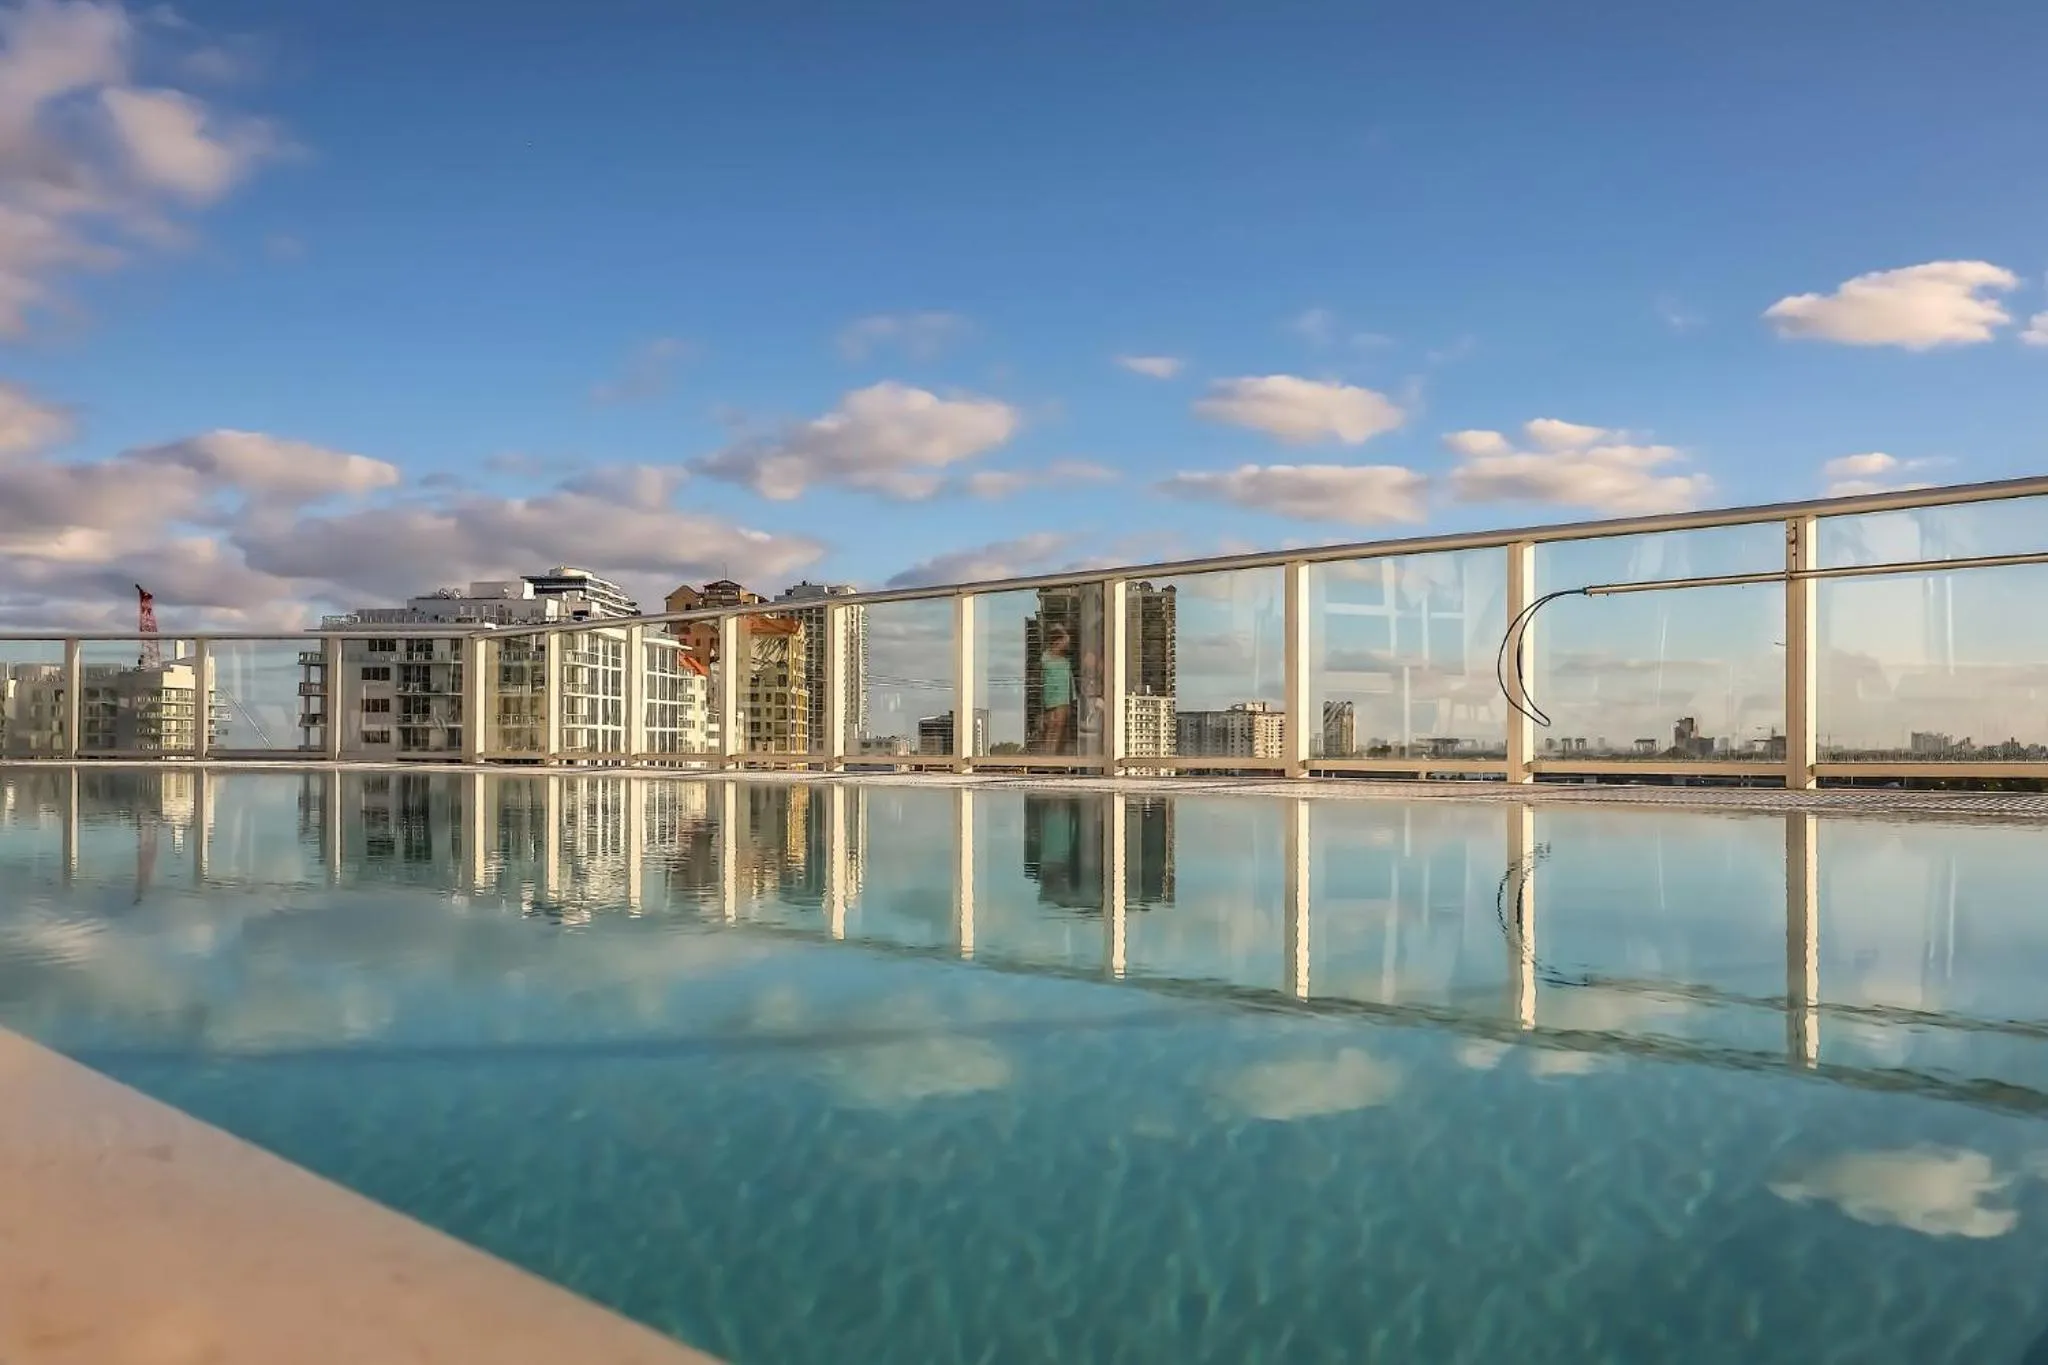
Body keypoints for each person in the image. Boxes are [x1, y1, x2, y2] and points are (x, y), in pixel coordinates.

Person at [1036, 625, 1075, 754]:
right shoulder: (1046, 658)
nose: (1067, 644)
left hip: (1062, 700)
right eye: (1064, 641)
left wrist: (1071, 700)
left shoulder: (1065, 662)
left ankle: (1053, 758)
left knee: (1059, 731)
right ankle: (1049, 758)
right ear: (1057, 642)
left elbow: (1070, 683)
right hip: (1051, 700)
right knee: (1051, 730)